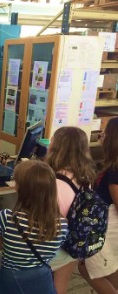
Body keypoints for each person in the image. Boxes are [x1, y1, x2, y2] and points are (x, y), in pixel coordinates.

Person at [0, 160, 68, 294]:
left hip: (11, 277)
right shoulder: (61, 225)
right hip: (41, 279)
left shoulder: (6, 217)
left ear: (20, 189)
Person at [45, 126, 96, 294]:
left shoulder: (54, 184)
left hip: (53, 248)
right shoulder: (84, 178)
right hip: (73, 243)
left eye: (51, 141)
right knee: (60, 287)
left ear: (57, 148)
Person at [78, 117, 118, 294]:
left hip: (105, 229)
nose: (102, 134)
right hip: (105, 227)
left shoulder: (114, 170)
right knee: (108, 270)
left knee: (89, 269)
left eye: (106, 132)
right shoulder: (110, 165)